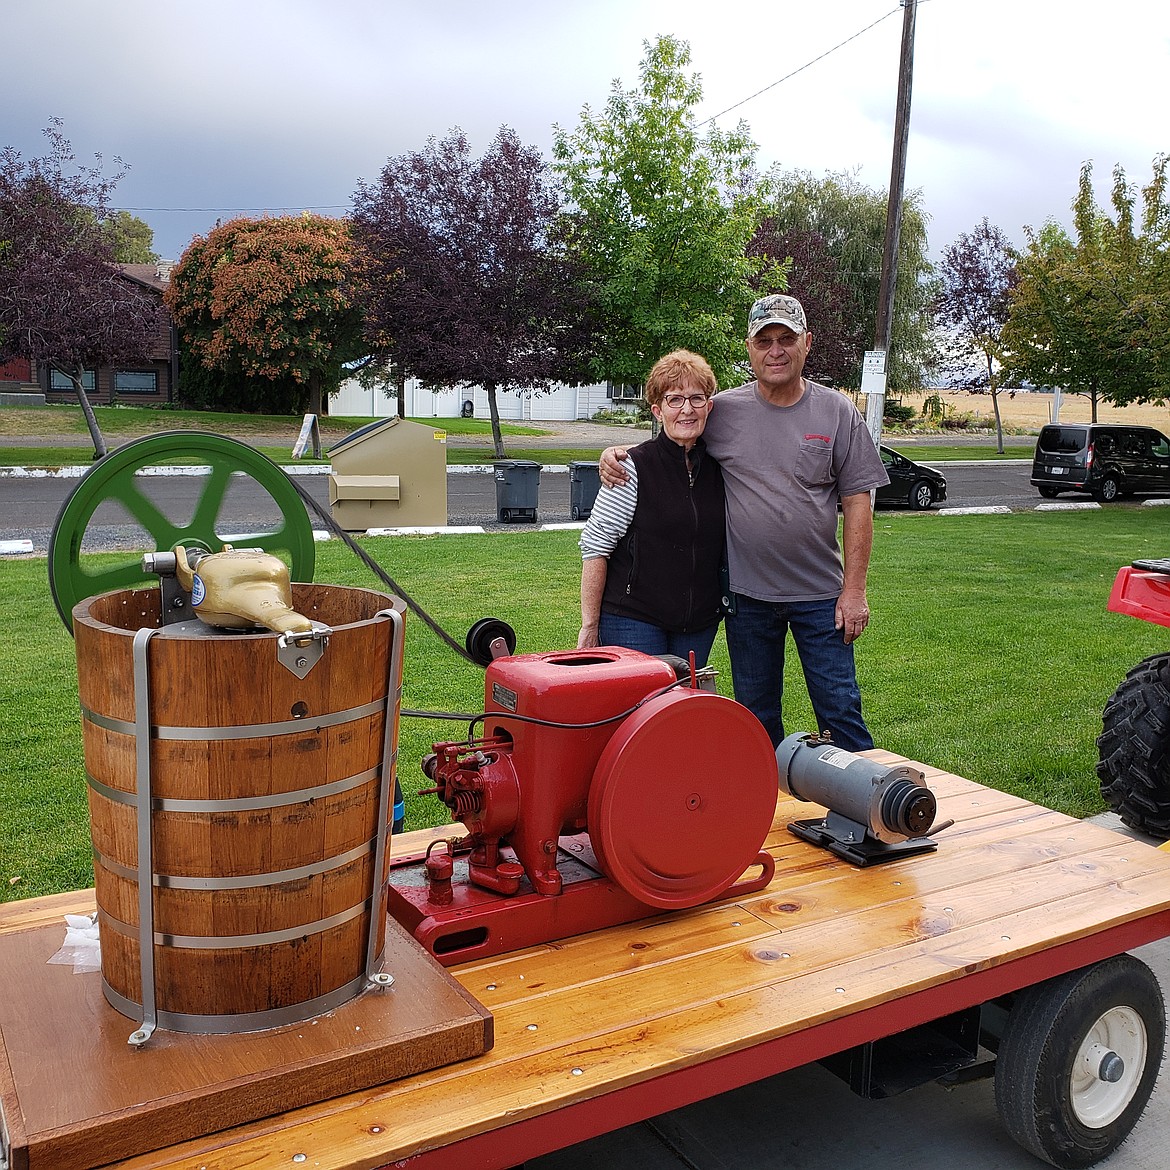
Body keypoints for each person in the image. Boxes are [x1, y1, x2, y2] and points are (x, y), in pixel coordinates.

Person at [599, 295, 888, 750]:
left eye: (786, 339)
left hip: (821, 598)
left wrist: (854, 592)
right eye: (764, 340)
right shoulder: (722, 411)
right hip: (746, 599)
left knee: (839, 706)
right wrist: (616, 453)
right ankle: (763, 809)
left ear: (806, 344)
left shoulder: (837, 412)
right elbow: (676, 426)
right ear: (749, 349)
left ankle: (869, 809)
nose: (776, 350)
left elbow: (857, 503)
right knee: (755, 713)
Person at [578, 349, 725, 666]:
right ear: (658, 411)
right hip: (633, 619)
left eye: (697, 399)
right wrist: (589, 626)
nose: (687, 409)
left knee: (682, 710)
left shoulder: (721, 469)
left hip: (699, 623)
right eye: (675, 400)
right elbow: (595, 546)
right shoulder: (630, 468)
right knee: (640, 710)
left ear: (709, 406)